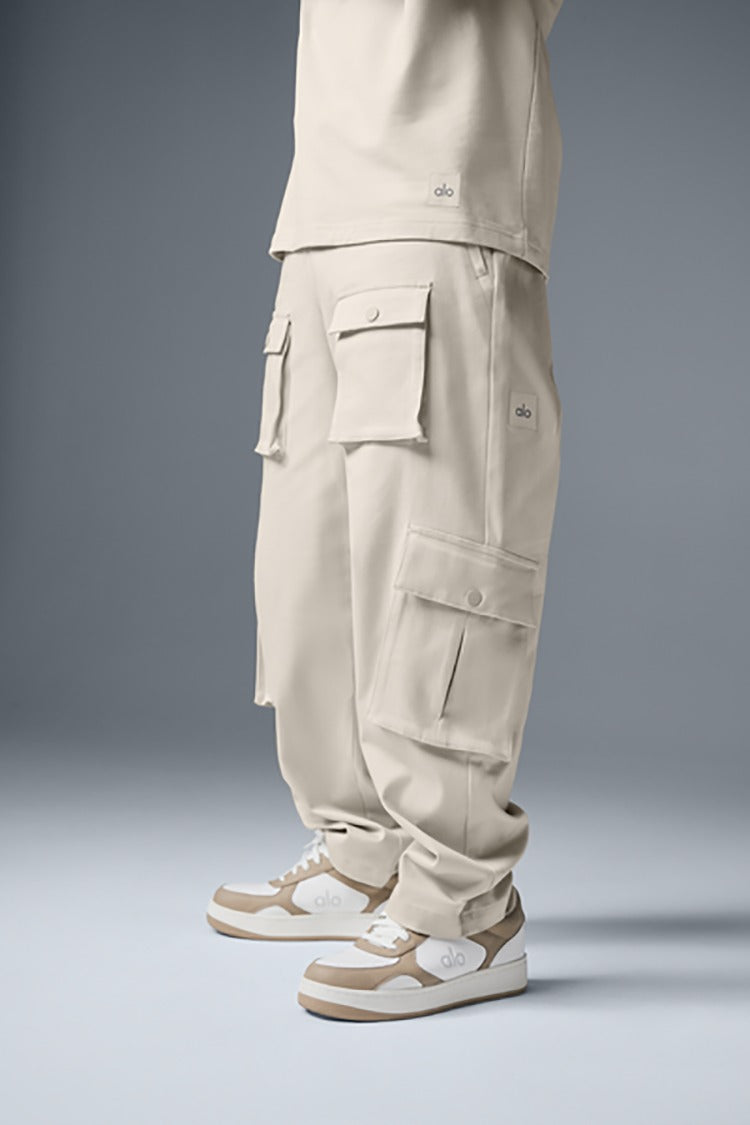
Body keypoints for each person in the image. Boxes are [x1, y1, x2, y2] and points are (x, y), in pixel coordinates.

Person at [207, 0, 565, 1021]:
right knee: (309, 575)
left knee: (437, 559)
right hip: (320, 214)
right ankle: (365, 852)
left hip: (441, 194)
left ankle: (464, 904)